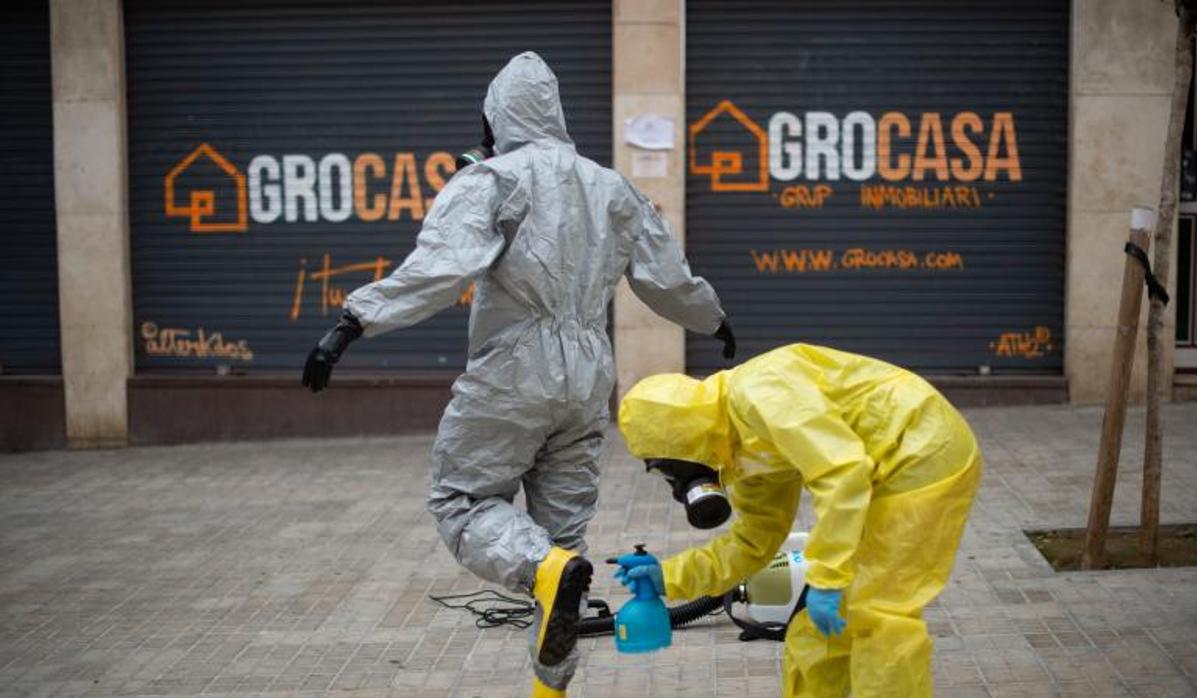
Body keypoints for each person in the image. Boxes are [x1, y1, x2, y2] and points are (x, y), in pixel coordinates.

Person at [301, 52, 732, 697]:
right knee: (560, 543)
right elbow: (665, 276)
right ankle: (548, 684)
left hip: (513, 370)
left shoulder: (492, 181)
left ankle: (546, 573)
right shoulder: (611, 186)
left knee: (465, 503)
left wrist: (353, 322)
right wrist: (712, 319)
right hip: (589, 373)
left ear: (496, 117)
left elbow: (440, 269)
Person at [615, 343, 981, 698]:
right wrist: (670, 576)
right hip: (877, 474)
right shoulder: (739, 456)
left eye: (668, 468)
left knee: (878, 616)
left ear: (682, 439)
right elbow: (753, 543)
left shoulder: (762, 391)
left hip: (922, 449)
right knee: (816, 632)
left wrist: (828, 577)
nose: (678, 484)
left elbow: (842, 473)